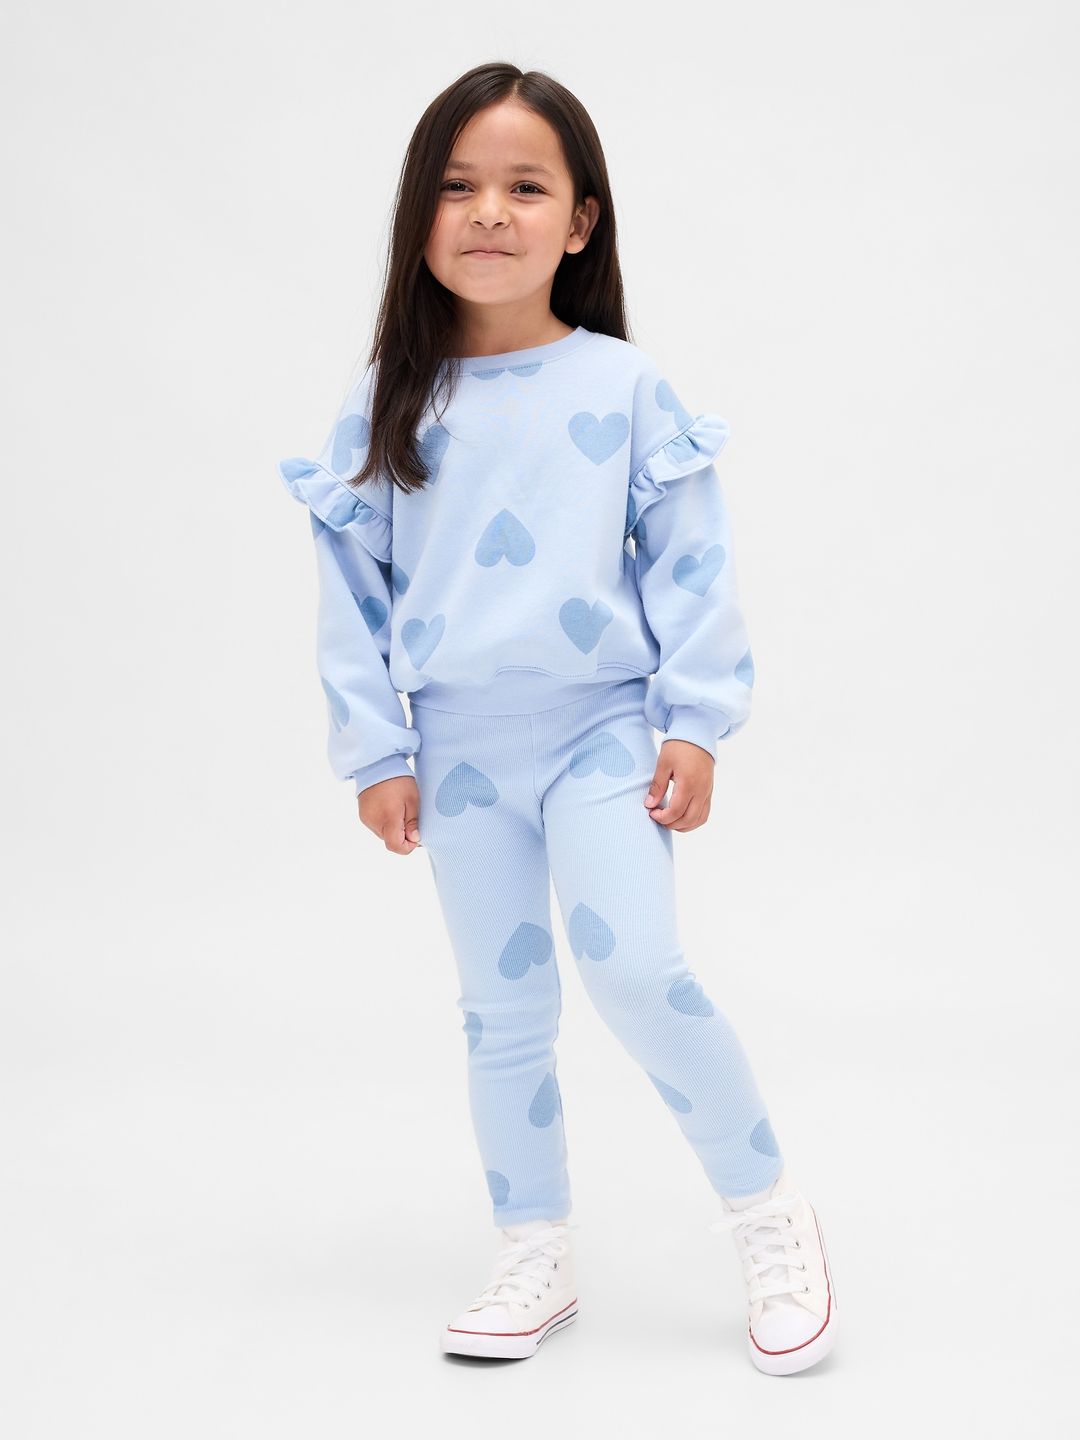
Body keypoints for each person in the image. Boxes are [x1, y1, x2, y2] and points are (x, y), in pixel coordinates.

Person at [276, 61, 838, 1376]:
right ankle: (534, 1247)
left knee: (638, 969)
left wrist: (694, 721)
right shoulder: (388, 399)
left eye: (525, 187)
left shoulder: (622, 386)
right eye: (457, 186)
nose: (489, 211)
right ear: (420, 217)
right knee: (503, 1009)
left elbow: (691, 563)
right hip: (459, 750)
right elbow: (350, 592)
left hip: (603, 735)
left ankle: (769, 1211)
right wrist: (376, 750)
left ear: (580, 221)